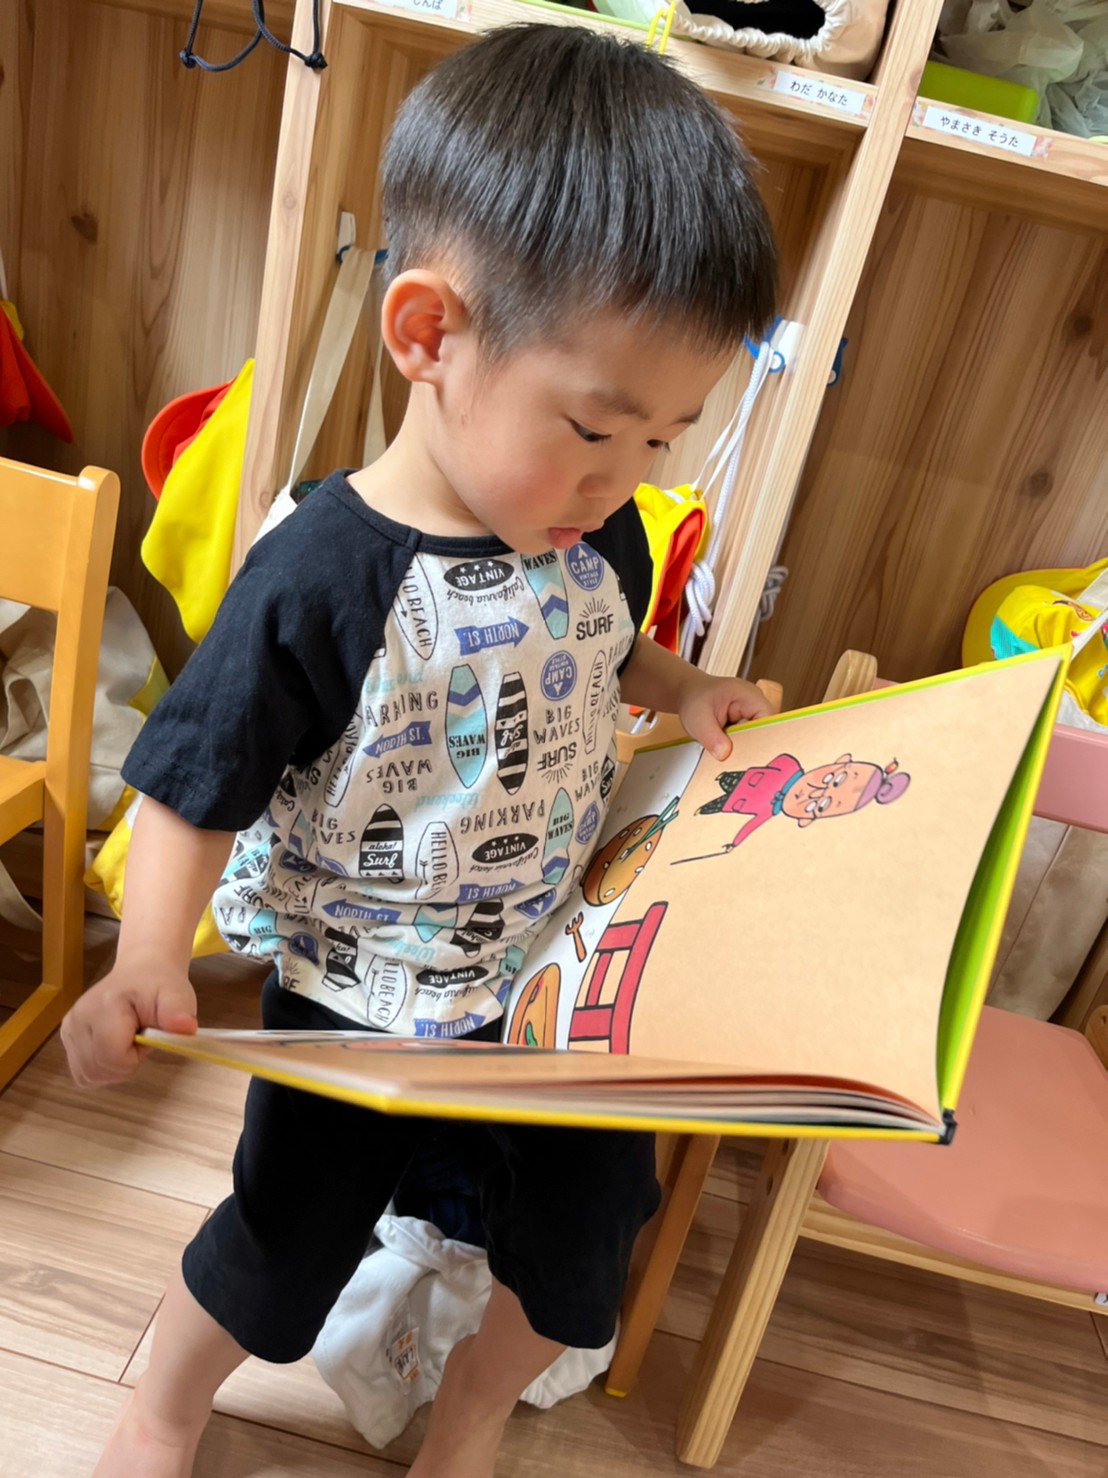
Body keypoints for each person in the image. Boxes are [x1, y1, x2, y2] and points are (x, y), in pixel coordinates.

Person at [61, 22, 777, 1477]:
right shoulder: (322, 571)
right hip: (357, 988)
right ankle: (163, 1400)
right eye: (594, 428)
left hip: (549, 979)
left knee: (581, 1251)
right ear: (429, 335)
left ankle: (471, 1417)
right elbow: (197, 778)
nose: (625, 478)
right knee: (285, 1246)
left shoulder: (598, 530)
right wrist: (144, 959)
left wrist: (687, 685)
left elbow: (603, 646)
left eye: (663, 440)